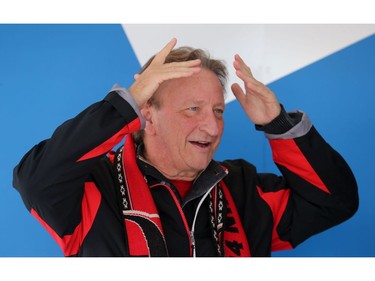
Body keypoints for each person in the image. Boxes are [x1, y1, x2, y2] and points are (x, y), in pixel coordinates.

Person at [13, 38, 359, 257]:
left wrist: (279, 125)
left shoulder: (243, 186)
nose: (211, 126)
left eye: (218, 111)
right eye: (192, 109)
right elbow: (36, 180)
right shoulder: (93, 188)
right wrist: (124, 104)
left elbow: (335, 203)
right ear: (147, 112)